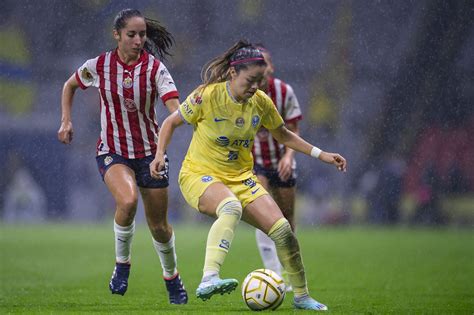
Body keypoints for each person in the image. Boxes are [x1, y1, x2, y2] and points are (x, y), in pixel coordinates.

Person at [151, 40, 347, 311]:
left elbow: (283, 134)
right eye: (251, 80)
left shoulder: (260, 102)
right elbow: (170, 122)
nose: (256, 86)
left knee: (284, 232)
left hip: (242, 178)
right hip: (200, 175)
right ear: (233, 73)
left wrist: (321, 154)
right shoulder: (207, 96)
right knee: (229, 207)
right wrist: (160, 154)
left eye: (260, 80)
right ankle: (209, 278)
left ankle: (302, 297)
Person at [57, 8, 188, 304]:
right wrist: (66, 120)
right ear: (117, 35)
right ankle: (122, 265)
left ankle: (172, 277)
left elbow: (174, 110)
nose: (139, 40)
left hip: (150, 155)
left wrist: (186, 116)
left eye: (142, 34)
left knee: (160, 227)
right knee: (127, 201)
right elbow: (70, 85)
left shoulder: (155, 69)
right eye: (132, 35)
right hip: (112, 151)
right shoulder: (100, 65)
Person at [251, 44, 302, 290]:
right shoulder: (242, 91)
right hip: (254, 163)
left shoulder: (283, 92)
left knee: (287, 217)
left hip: (281, 160)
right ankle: (273, 272)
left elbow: (293, 129)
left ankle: (292, 271)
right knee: (263, 215)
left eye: (265, 62)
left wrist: (289, 156)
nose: (261, 67)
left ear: (271, 66)